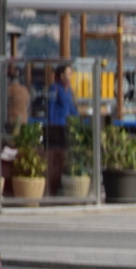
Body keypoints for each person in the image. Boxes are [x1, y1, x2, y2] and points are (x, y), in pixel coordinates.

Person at [46, 63, 78, 195]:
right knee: (57, 156)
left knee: (66, 155)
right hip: (57, 126)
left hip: (67, 126)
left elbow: (71, 108)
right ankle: (55, 182)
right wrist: (51, 124)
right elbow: (50, 108)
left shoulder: (68, 90)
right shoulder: (55, 88)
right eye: (68, 73)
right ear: (61, 75)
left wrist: (77, 121)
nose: (70, 76)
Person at [6, 65, 31, 134]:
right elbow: (28, 106)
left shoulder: (9, 89)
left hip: (12, 121)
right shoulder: (25, 90)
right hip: (24, 119)